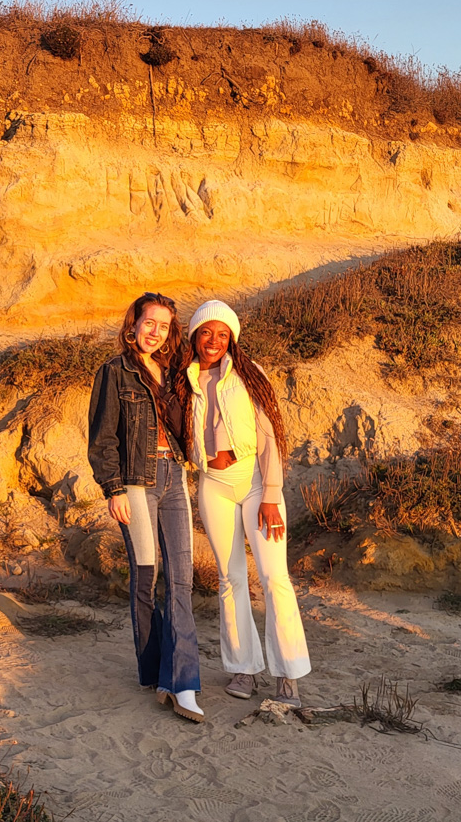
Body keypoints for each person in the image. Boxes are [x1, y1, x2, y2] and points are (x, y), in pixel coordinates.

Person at [177, 299, 311, 706]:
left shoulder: (252, 375)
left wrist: (271, 494)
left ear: (232, 338)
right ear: (195, 337)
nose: (214, 341)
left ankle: (288, 673)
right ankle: (243, 668)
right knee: (230, 579)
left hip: (254, 482)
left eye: (222, 334)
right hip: (213, 484)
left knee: (274, 577)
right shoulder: (185, 380)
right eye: (206, 333)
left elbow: (271, 438)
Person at [87, 293, 203, 723]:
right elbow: (102, 439)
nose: (155, 332)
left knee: (182, 580)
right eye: (148, 322)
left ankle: (184, 682)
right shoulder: (114, 372)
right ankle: (155, 674)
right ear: (132, 324)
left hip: (174, 477)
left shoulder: (174, 373)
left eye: (164, 325)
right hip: (136, 482)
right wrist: (112, 489)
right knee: (146, 578)